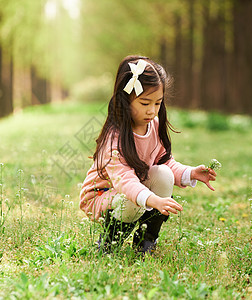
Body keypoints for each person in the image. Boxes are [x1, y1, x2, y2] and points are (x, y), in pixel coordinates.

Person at [79, 55, 217, 255]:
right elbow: (125, 181)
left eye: (158, 103)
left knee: (163, 174)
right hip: (102, 196)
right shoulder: (114, 137)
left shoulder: (153, 125)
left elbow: (164, 161)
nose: (152, 111)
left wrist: (190, 173)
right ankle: (110, 242)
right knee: (132, 199)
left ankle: (146, 241)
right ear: (126, 100)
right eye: (145, 103)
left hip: (133, 189)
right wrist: (153, 199)